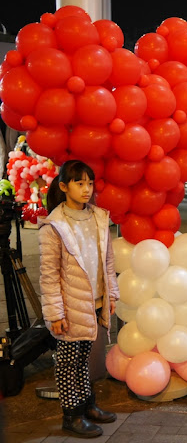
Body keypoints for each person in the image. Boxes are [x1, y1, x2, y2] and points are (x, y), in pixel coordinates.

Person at [39, 160, 119, 438]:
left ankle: (87, 405)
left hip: (94, 301)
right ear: (64, 186)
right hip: (69, 304)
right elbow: (49, 275)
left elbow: (108, 260)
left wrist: (111, 294)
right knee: (67, 362)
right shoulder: (54, 226)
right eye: (79, 183)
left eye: (90, 183)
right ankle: (71, 415)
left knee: (82, 357)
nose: (86, 189)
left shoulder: (98, 217)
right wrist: (55, 314)